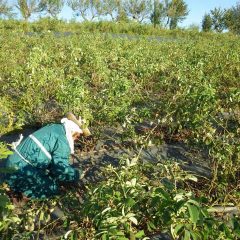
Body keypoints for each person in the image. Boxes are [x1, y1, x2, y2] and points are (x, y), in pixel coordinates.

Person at [3, 113, 89, 199]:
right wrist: (77, 174)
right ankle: (23, 195)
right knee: (52, 188)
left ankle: (14, 188)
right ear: (74, 130)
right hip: (22, 171)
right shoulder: (63, 140)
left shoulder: (53, 127)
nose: (78, 138)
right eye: (79, 135)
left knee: (48, 174)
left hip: (9, 165)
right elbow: (60, 170)